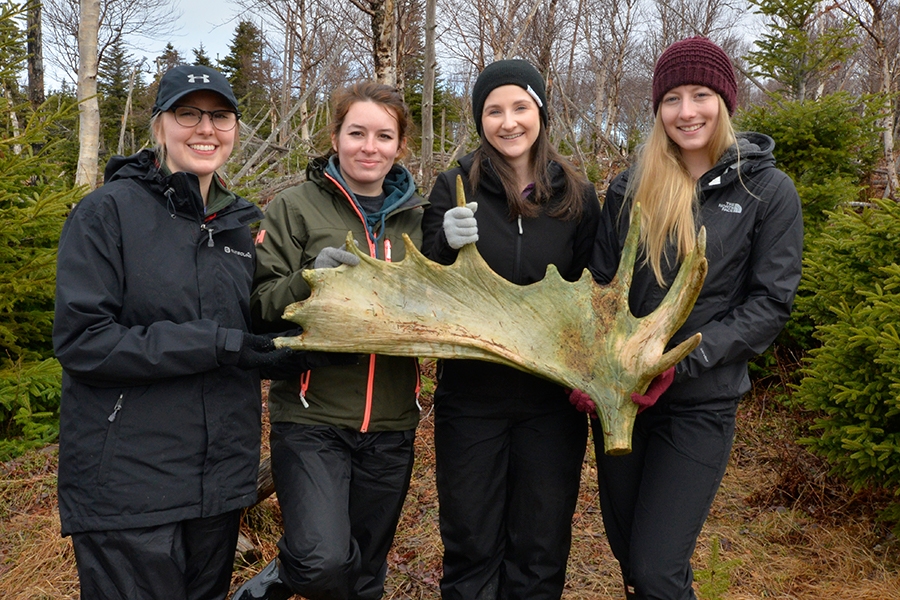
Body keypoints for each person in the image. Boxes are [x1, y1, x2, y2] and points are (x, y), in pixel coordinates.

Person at [53, 65, 308, 600]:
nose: (205, 130)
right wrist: (219, 345)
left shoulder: (237, 226)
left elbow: (248, 324)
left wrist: (311, 299)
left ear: (236, 129)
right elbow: (84, 341)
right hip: (128, 486)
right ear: (159, 126)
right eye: (187, 114)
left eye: (220, 117)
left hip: (216, 483)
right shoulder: (106, 213)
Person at [582, 37, 803, 599]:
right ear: (657, 109)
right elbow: (603, 289)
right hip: (623, 403)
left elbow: (770, 302)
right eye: (672, 98)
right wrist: (590, 369)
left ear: (724, 101)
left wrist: (685, 360)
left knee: (657, 568)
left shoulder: (766, 191)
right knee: (632, 562)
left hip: (699, 403)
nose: (686, 111)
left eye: (700, 95)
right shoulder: (631, 188)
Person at [233, 81, 426, 600]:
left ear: (399, 145)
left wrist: (454, 246)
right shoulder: (295, 208)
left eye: (384, 135)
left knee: (364, 571)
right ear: (335, 137)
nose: (370, 146)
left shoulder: (417, 220)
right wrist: (308, 277)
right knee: (321, 561)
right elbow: (259, 302)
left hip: (391, 421)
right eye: (356, 132)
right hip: (312, 415)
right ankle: (283, 575)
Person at [420, 59, 601, 599]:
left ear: (540, 112)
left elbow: (594, 292)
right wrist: (441, 244)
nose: (508, 122)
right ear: (480, 120)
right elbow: (426, 287)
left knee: (540, 545)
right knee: (471, 540)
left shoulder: (577, 196)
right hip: (471, 397)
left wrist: (588, 372)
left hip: (550, 401)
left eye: (520, 107)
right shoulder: (454, 185)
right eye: (493, 110)